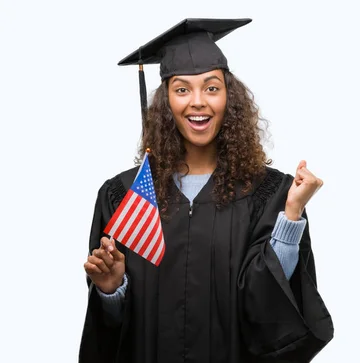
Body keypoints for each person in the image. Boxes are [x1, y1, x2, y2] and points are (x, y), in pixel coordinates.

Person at [79, 18, 334, 363]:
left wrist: (290, 216)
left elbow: (268, 310)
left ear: (230, 97)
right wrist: (111, 290)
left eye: (211, 88)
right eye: (182, 89)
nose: (197, 101)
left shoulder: (268, 193)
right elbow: (111, 333)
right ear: (165, 102)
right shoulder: (124, 196)